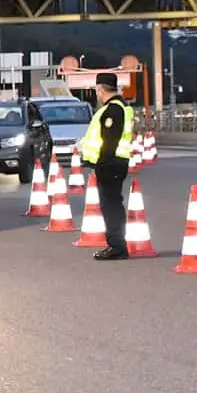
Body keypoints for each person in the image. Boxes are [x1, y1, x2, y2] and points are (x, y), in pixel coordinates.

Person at [78, 72, 134, 261]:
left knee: (110, 206)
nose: (97, 94)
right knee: (112, 204)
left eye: (97, 91)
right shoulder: (119, 107)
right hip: (115, 163)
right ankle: (117, 244)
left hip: (110, 164)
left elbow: (109, 142)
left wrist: (100, 164)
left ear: (100, 90)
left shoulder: (113, 110)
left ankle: (117, 246)